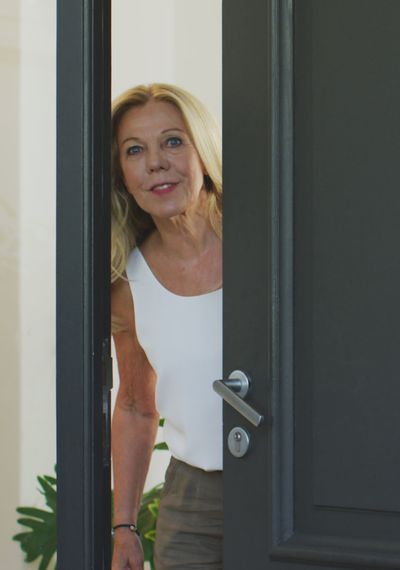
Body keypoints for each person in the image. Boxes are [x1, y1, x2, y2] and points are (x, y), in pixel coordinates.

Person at [108, 83, 225, 570]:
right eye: (135, 150)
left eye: (173, 142)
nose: (156, 162)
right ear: (122, 174)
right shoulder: (127, 282)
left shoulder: (270, 238)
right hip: (194, 500)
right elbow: (136, 405)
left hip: (289, 487)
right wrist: (125, 526)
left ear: (203, 152)